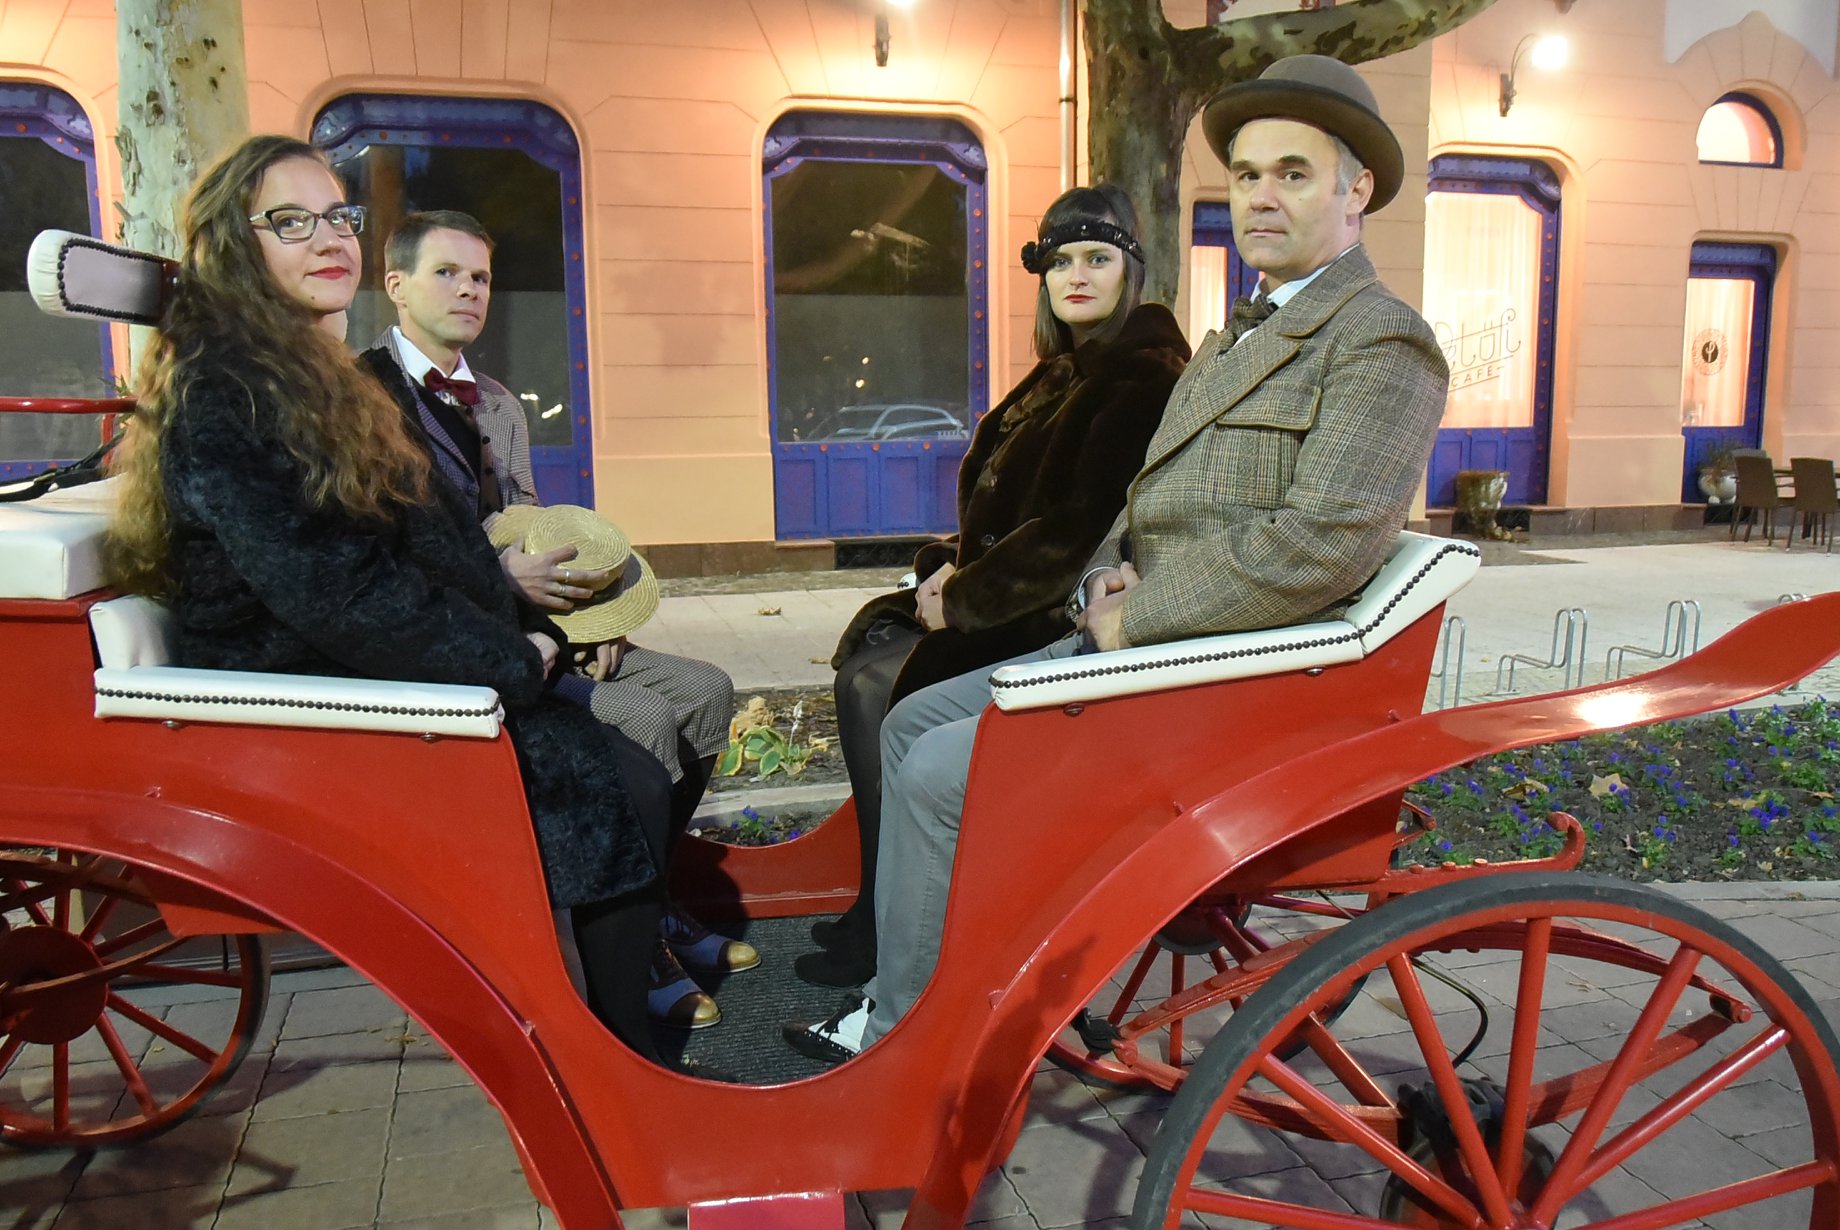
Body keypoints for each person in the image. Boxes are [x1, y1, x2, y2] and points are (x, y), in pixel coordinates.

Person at [785, 54, 1451, 1064]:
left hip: (1221, 681)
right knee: (913, 719)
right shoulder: (1237, 337)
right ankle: (937, 982)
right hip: (1146, 648)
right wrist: (1109, 572)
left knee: (936, 773)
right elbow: (1141, 500)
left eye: (1294, 174)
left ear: (1357, 190)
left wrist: (1134, 613)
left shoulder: (1379, 341)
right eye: (1247, 175)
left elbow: (1319, 545)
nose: (1261, 197)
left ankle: (902, 1046)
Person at [102, 135, 712, 1077]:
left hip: (366, 663)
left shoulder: (315, 381)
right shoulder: (229, 394)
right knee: (615, 777)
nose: (328, 238)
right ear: (234, 246)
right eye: (290, 222)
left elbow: (434, 545)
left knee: (630, 759)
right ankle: (624, 1067)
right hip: (306, 697)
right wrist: (513, 658)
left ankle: (620, 1039)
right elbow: (338, 592)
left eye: (337, 216)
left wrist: (530, 631)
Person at [357, 213, 743, 1026]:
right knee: (643, 717)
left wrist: (596, 620)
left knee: (705, 689)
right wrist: (503, 585)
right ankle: (637, 946)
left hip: (547, 629)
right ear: (395, 285)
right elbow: (378, 555)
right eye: (446, 273)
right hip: (463, 647)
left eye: (480, 277)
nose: (469, 290)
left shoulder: (499, 403)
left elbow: (536, 524)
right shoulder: (362, 400)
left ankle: (656, 906)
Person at [801, 185, 1189, 988]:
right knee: (866, 668)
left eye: (1097, 259)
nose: (1076, 276)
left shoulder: (1142, 374)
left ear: (1131, 270)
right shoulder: (1067, 369)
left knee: (875, 686)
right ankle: (884, 902)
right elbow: (1010, 513)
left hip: (1055, 608)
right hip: (1005, 592)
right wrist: (946, 566)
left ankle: (891, 920)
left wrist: (964, 597)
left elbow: (1078, 530)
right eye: (1060, 261)